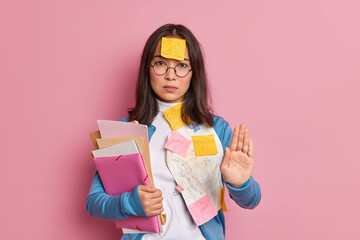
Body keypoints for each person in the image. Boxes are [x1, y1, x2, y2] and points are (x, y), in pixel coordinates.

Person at [86, 23, 261, 240]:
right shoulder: (123, 131)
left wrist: (239, 183)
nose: (171, 75)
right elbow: (94, 203)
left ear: (193, 72)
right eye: (160, 63)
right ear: (146, 70)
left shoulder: (217, 129)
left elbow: (252, 200)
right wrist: (130, 202)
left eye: (181, 65)